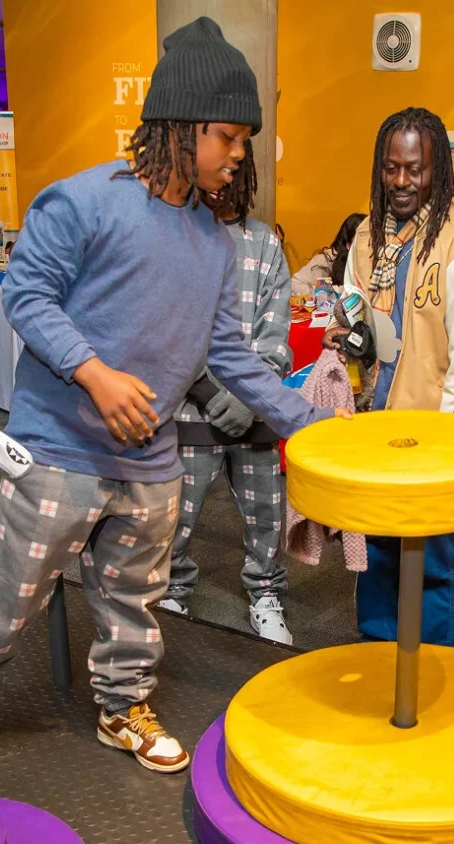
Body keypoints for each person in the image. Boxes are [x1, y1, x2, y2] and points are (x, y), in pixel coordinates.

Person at [0, 17, 349, 775]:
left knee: (134, 601)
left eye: (245, 139)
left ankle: (121, 707)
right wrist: (93, 371)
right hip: (60, 447)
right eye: (228, 135)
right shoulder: (82, 202)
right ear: (182, 125)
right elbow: (26, 295)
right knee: (12, 589)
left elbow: (229, 354)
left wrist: (312, 423)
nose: (239, 153)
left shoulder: (215, 242)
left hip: (151, 458)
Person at [326, 107, 454, 647]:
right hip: (374, 428)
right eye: (391, 168)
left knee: (435, 561)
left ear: (438, 169)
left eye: (415, 169)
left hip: (431, 442)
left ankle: (436, 668)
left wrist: (446, 455)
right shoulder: (367, 234)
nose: (401, 181)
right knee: (378, 551)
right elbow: (353, 305)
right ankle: (380, 655)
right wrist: (348, 330)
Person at [160, 142, 295, 643]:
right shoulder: (176, 237)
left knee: (267, 513)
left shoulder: (265, 244)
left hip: (254, 415)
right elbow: (169, 329)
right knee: (177, 513)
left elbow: (275, 337)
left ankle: (265, 592)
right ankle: (171, 589)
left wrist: (247, 397)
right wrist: (213, 395)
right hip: (191, 410)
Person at [290, 212, 365, 294]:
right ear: (348, 243)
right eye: (363, 237)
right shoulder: (327, 260)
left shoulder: (373, 262)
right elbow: (294, 285)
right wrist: (327, 293)